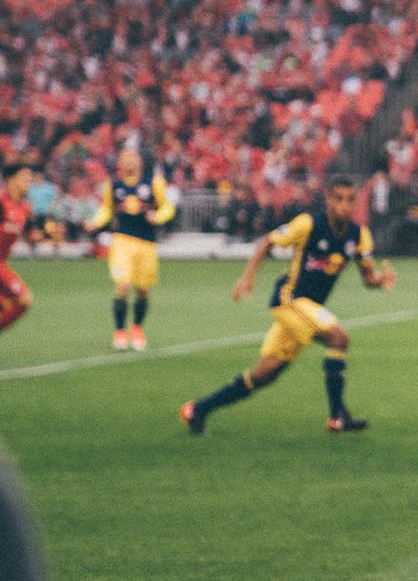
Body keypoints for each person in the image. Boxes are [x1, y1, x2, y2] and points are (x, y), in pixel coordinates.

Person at [179, 177, 398, 436]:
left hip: (307, 310)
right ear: (328, 199)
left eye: (351, 200)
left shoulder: (359, 235)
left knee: (265, 373)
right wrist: (247, 277)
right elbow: (267, 241)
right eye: (338, 199)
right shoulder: (308, 224)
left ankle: (198, 409)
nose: (345, 205)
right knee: (338, 338)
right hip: (289, 300)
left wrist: (380, 280)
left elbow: (368, 278)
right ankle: (338, 416)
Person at [85, 149, 176, 351]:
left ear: (140, 161)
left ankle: (136, 327)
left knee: (143, 290)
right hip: (122, 241)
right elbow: (106, 208)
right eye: (124, 158)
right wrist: (95, 222)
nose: (129, 162)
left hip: (146, 243)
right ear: (120, 162)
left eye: (132, 158)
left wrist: (157, 217)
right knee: (122, 285)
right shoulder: (113, 184)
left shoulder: (153, 182)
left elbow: (167, 207)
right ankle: (119, 331)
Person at [0, 161, 34, 338]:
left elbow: (32, 236)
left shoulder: (25, 207)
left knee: (14, 303)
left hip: (2, 263)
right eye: (24, 178)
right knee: (23, 299)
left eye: (30, 178)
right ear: (11, 180)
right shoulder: (1, 202)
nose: (29, 182)